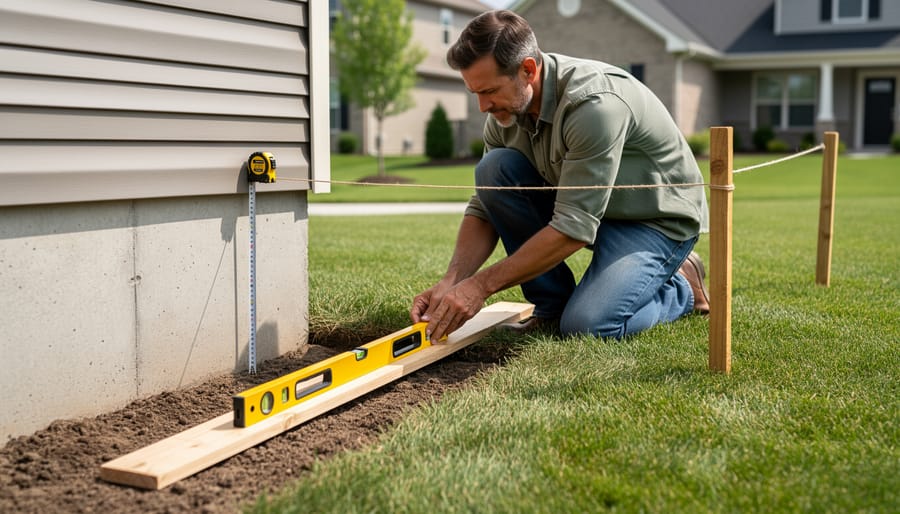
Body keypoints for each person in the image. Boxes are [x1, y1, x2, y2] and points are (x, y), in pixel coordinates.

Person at [410, 9, 710, 342]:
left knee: (589, 326)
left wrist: (480, 286)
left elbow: (572, 229)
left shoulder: (593, 106)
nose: (483, 107)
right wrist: (452, 280)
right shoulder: (506, 113)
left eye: (490, 91)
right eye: (475, 93)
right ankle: (552, 307)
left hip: (654, 220)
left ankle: (681, 286)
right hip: (593, 210)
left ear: (527, 70)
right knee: (494, 169)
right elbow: (485, 207)